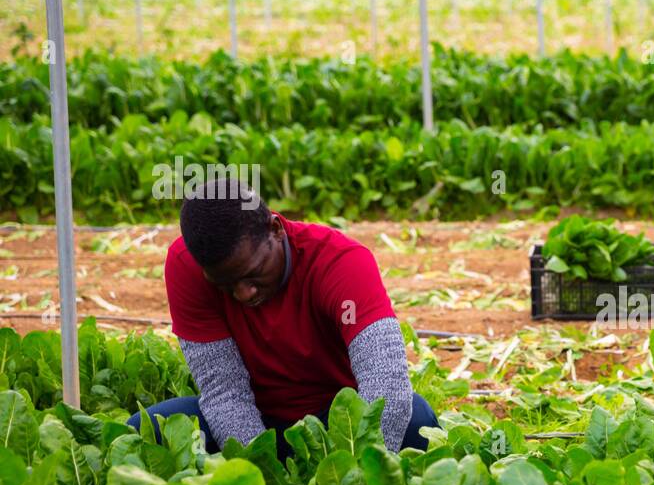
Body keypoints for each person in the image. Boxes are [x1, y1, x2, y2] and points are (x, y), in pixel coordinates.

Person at [129, 177, 437, 458]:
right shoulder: (187, 266)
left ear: (276, 230)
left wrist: (354, 478)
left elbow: (385, 384)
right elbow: (224, 391)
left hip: (337, 425)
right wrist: (264, 473)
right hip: (255, 420)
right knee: (143, 431)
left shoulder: (341, 263)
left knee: (416, 420)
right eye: (226, 284)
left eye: (252, 274)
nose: (244, 294)